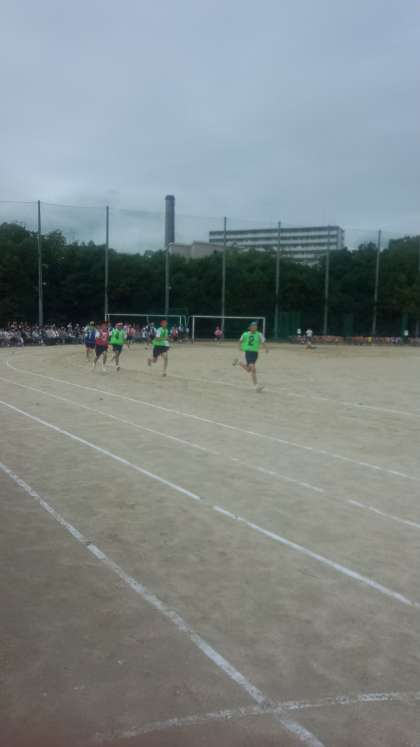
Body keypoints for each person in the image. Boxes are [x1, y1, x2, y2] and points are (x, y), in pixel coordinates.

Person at [233, 321, 268, 392]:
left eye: (255, 326)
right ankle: (256, 386)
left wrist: (266, 348)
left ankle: (238, 362)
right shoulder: (245, 334)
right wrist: (239, 347)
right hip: (248, 352)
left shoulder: (259, 334)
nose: (255, 327)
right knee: (253, 368)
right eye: (253, 326)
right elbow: (240, 341)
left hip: (255, 354)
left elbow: (263, 342)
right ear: (250, 327)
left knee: (249, 369)